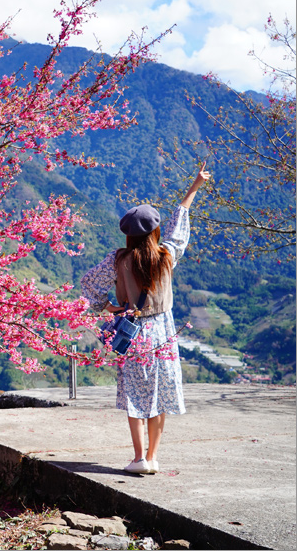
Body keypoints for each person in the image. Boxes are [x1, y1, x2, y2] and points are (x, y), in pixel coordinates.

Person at [80, 162, 211, 474]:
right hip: (163, 332)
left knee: (136, 396)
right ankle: (153, 457)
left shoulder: (118, 260)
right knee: (160, 395)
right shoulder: (166, 256)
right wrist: (194, 186)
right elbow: (180, 225)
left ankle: (138, 458)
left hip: (133, 332)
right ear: (155, 231)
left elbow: (88, 284)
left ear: (128, 234)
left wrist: (110, 308)